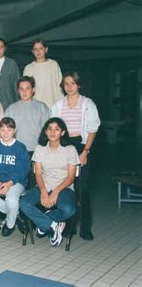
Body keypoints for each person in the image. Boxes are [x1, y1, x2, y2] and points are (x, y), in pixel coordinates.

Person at [51, 72, 100, 240]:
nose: (69, 87)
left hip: (81, 147)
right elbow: (53, 130)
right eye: (66, 84)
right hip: (63, 147)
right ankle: (68, 226)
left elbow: (93, 130)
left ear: (78, 85)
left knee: (82, 190)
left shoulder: (88, 104)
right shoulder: (58, 105)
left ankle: (85, 227)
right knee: (66, 188)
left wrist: (85, 151)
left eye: (73, 83)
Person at [19, 118, 79, 247]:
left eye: (56, 129)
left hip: (64, 187)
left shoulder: (70, 149)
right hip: (43, 185)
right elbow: (38, 174)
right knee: (23, 203)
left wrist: (56, 192)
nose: (52, 132)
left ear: (62, 132)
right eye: (49, 129)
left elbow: (70, 177)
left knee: (69, 209)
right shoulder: (40, 149)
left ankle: (46, 220)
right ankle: (52, 224)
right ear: (45, 132)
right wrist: (43, 191)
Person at [0, 117, 30, 237]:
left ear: (14, 131)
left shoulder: (20, 147)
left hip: (16, 181)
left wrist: (9, 183)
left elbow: (23, 169)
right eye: (2, 130)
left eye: (9, 130)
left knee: (11, 199)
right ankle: (14, 212)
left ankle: (9, 225)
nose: (5, 133)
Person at [4, 76, 50, 156]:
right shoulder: (11, 109)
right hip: (16, 151)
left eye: (27, 88)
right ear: (18, 91)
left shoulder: (42, 107)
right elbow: (5, 132)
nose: (24, 92)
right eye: (21, 89)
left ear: (33, 90)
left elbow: (48, 131)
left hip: (37, 152)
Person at [23, 39, 63, 109]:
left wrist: (61, 105)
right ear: (32, 51)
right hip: (35, 108)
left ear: (46, 49)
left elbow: (60, 87)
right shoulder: (28, 68)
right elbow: (25, 90)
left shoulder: (53, 65)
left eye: (41, 48)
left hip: (52, 106)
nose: (38, 51)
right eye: (35, 49)